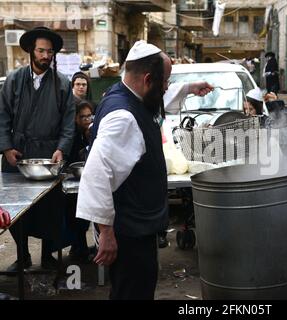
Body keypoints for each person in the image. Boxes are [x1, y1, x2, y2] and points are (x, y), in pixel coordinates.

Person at [76, 40, 213, 300]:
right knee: (133, 293)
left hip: (137, 226)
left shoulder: (125, 93)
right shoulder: (123, 118)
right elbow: (95, 175)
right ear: (148, 79)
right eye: (165, 82)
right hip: (129, 233)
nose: (166, 88)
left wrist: (188, 88)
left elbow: (153, 101)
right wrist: (105, 234)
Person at [0, 26, 75, 271]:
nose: (45, 56)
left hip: (48, 154)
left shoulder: (62, 84)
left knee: (49, 209)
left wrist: (62, 149)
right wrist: (7, 148)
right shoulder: (14, 79)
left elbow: (67, 122)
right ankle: (22, 256)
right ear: (31, 51)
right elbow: (2, 116)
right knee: (15, 209)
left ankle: (47, 256)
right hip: (17, 154)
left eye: (49, 52)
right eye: (41, 51)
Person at [66, 100, 94, 262]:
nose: (87, 120)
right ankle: (79, 248)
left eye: (89, 116)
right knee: (76, 217)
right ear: (76, 118)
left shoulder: (93, 132)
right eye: (83, 117)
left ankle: (80, 247)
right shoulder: (72, 135)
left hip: (88, 180)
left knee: (86, 218)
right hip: (73, 181)